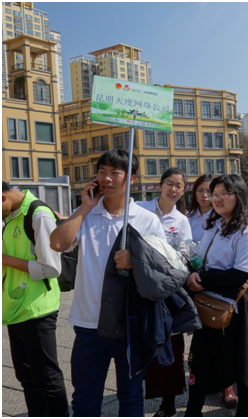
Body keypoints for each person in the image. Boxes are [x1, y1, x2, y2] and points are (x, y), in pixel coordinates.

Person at [50, 149, 166, 416]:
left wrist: (136, 260)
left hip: (130, 324)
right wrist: (85, 206)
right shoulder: (86, 214)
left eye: (115, 172)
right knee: (85, 399)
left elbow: (163, 273)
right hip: (89, 324)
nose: (107, 178)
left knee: (131, 397)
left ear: (132, 178)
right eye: (102, 172)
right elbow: (57, 243)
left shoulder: (146, 219)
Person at [184, 174, 248, 417]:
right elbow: (202, 260)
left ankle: (245, 413)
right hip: (209, 305)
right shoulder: (215, 225)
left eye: (222, 194)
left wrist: (203, 279)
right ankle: (192, 412)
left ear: (238, 196)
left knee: (242, 368)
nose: (215, 199)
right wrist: (192, 275)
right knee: (200, 364)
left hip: (238, 308)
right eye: (213, 194)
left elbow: (241, 274)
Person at [2, 182, 69, 417]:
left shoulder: (38, 213)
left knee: (47, 378)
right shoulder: (11, 215)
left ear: (2, 197)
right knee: (27, 378)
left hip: (38, 309)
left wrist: (5, 259)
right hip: (15, 307)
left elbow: (51, 268)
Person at [136, 168, 193, 417]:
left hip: (167, 289)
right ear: (159, 185)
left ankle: (168, 403)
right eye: (169, 183)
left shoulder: (181, 220)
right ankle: (133, 397)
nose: (173, 189)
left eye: (178, 186)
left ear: (183, 191)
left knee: (171, 343)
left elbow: (184, 254)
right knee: (139, 341)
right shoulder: (140, 208)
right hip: (137, 286)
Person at [187, 174, 213, 242]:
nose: (204, 195)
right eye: (200, 191)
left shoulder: (222, 219)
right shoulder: (189, 219)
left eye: (209, 191)